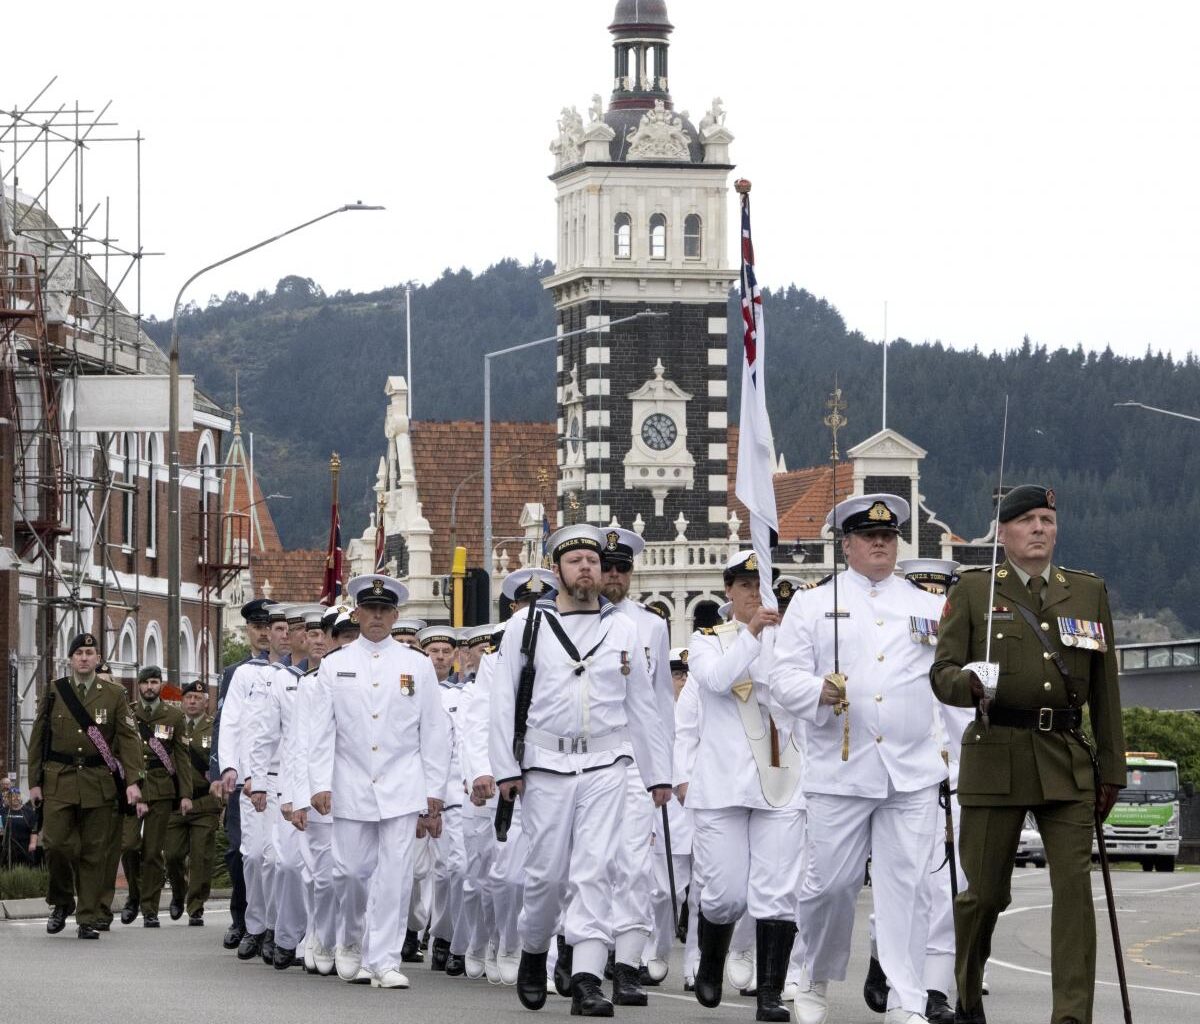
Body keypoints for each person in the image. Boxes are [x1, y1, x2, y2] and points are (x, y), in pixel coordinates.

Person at [931, 484, 1124, 1024]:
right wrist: (965, 683)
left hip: (1066, 758)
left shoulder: (1086, 593)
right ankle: (967, 992)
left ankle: (1070, 1017)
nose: (1041, 528)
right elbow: (940, 671)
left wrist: (1112, 769)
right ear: (1005, 531)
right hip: (996, 755)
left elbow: (1105, 689)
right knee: (984, 896)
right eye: (1029, 520)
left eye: (1048, 519)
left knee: (1074, 893)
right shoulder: (973, 592)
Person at [770, 494, 948, 1024]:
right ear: (846, 544)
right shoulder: (812, 602)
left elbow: (945, 680)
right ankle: (813, 973)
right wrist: (817, 692)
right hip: (840, 768)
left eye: (889, 537)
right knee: (830, 886)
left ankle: (905, 998)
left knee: (909, 888)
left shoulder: (928, 604)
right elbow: (782, 679)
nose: (880, 544)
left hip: (911, 769)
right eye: (869, 536)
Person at [490, 524, 672, 1018]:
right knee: (546, 876)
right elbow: (504, 701)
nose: (588, 567)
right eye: (576, 561)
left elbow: (643, 709)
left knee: (596, 869)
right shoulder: (525, 627)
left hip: (607, 762)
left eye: (593, 560)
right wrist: (506, 768)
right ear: (557, 571)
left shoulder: (626, 630)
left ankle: (588, 979)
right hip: (546, 765)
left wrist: (658, 775)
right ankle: (533, 950)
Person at [309, 574, 450, 989]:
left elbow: (433, 732)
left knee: (396, 874)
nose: (376, 616)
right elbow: (321, 732)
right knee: (349, 873)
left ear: (394, 615)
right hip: (350, 781)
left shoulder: (417, 665)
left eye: (384, 610)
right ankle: (352, 938)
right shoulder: (336, 665)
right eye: (369, 609)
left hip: (403, 785)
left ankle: (384, 960)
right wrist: (318, 783)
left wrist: (434, 791)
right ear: (356, 613)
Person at [686, 550, 806, 1023]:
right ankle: (711, 958)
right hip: (724, 783)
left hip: (783, 777)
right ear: (730, 591)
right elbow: (716, 681)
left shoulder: (794, 642)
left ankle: (770, 994)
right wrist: (753, 634)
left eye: (764, 585)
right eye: (748, 586)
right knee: (726, 894)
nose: (758, 593)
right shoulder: (707, 641)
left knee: (777, 891)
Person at [597, 526, 677, 1005]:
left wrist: (661, 771)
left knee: (633, 864)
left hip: (633, 762)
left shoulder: (652, 625)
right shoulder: (569, 620)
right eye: (606, 567)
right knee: (586, 863)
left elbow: (661, 704)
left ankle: (627, 963)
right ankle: (578, 950)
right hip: (582, 759)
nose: (612, 576)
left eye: (621, 568)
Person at [27, 632, 144, 939]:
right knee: (54, 845)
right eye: (78, 653)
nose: (83, 657)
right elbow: (39, 737)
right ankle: (62, 901)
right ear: (70, 658)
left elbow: (130, 740)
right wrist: (34, 782)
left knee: (95, 853)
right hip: (59, 779)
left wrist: (133, 781)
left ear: (97, 659)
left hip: (98, 783)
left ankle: (87, 917)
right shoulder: (54, 691)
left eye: (89, 653)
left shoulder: (114, 694)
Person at [210, 597, 274, 949]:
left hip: (274, 779)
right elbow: (225, 725)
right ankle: (241, 919)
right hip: (242, 777)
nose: (264, 634)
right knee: (239, 852)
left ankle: (269, 924)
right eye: (258, 627)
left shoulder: (286, 670)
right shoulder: (236, 672)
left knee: (270, 856)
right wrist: (219, 771)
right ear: (248, 630)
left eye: (270, 626)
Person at [121, 665, 194, 927]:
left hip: (162, 789)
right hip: (133, 788)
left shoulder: (174, 716)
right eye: (145, 682)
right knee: (128, 845)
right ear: (138, 685)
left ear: (160, 685)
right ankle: (133, 895)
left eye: (154, 682)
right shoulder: (128, 712)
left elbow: (183, 759)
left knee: (152, 852)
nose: (149, 687)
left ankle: (149, 909)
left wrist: (185, 794)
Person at [165, 679, 222, 926]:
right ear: (181, 700)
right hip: (176, 802)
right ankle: (179, 892)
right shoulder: (170, 726)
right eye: (188, 698)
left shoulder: (214, 728)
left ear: (206, 702)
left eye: (198, 698)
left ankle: (196, 905)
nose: (192, 702)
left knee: (201, 857)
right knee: (173, 854)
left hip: (204, 801)